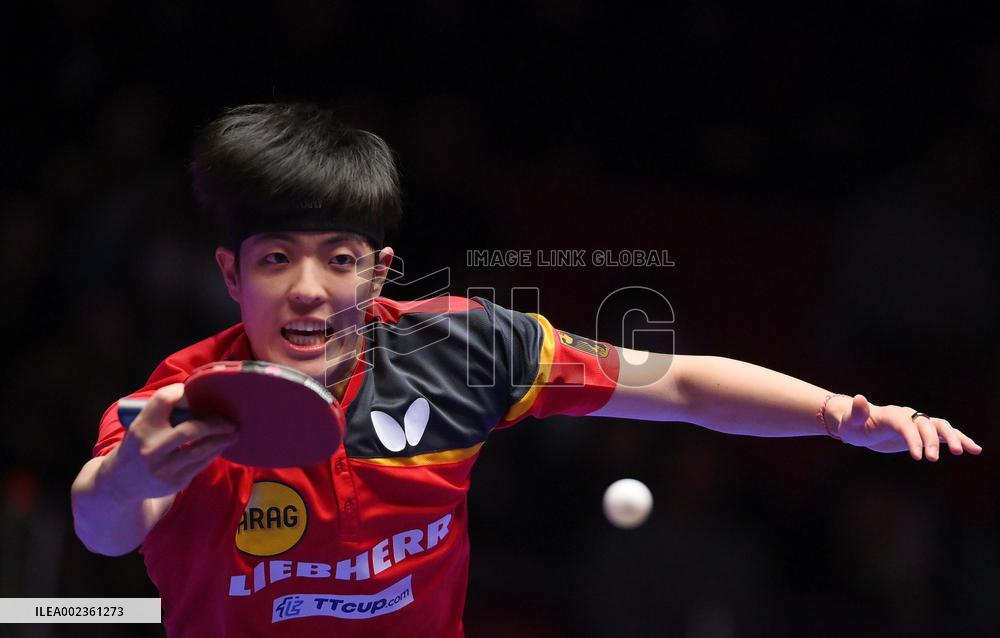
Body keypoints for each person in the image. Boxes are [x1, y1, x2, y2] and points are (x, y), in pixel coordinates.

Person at [70, 102, 982, 637]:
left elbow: (678, 383)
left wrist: (835, 414)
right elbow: (105, 524)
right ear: (231, 271)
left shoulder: (464, 347)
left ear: (380, 270)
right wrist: (135, 472)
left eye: (339, 258)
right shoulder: (182, 398)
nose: (309, 291)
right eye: (275, 260)